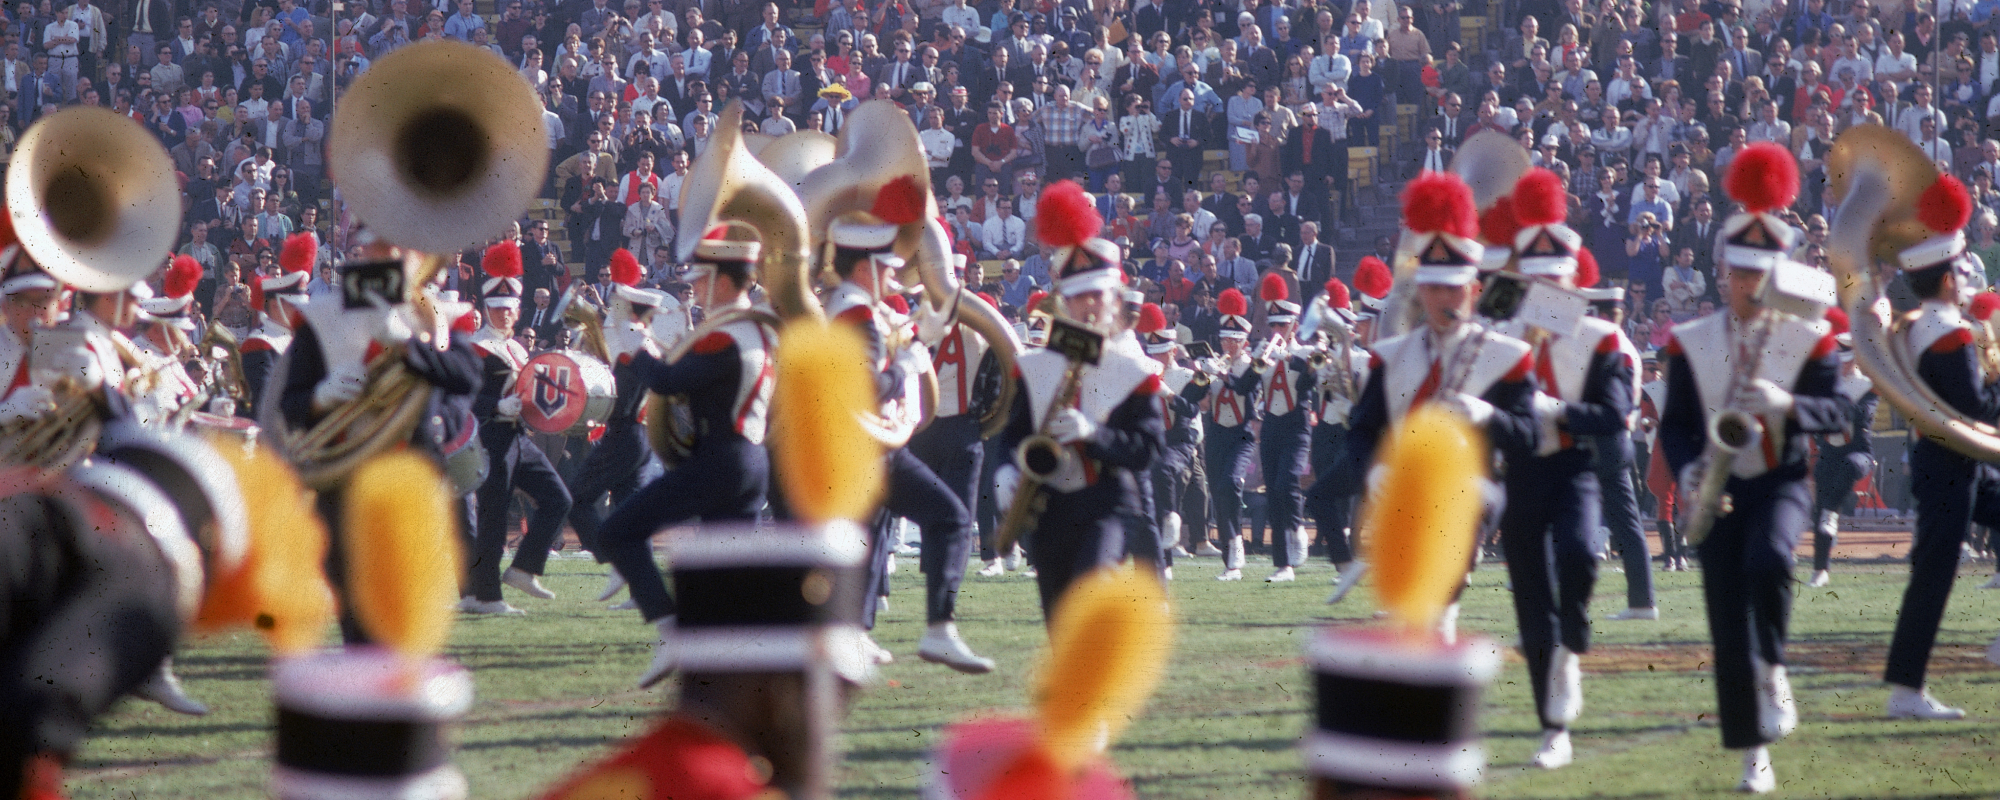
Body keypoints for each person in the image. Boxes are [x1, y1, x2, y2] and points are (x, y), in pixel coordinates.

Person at [1658, 144, 1847, 794]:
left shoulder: (1810, 338)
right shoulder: (1690, 343)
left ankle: (1775, 665)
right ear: (1723, 273)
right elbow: (1676, 426)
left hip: (1779, 478)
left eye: (1762, 273)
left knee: (1769, 562)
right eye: (1740, 272)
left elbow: (1836, 414)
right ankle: (1752, 755)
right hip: (1714, 486)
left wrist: (1787, 403)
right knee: (1723, 619)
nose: (1751, 285)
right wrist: (1685, 472)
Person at [1333, 173, 1538, 646]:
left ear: (1472, 289)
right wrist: (1374, 473)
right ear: (1421, 291)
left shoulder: (1504, 356)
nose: (1445, 299)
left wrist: (1488, 416)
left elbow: (1526, 434)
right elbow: (1362, 433)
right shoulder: (1393, 357)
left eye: (1455, 289)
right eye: (1435, 289)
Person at [1492, 169, 1637, 770]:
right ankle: (1552, 727)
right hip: (1521, 471)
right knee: (1528, 595)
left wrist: (1561, 410)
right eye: (1537, 280)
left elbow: (1617, 414)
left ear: (1573, 281)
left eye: (1558, 279)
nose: (1548, 290)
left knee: (1579, 554)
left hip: (1573, 464)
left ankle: (1573, 646)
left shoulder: (1600, 338)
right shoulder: (1500, 336)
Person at [823, 190, 993, 672]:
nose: (895, 277)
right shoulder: (857, 314)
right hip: (869, 444)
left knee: (871, 535)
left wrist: (918, 338)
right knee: (952, 518)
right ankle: (940, 628)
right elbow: (869, 386)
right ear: (863, 269)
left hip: (857, 445)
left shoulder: (845, 305)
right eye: (886, 268)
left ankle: (852, 635)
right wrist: (905, 363)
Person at [996, 182, 1165, 619]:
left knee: (1086, 603)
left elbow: (1147, 449)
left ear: (1114, 300)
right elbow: (1013, 434)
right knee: (1057, 619)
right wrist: (1005, 471)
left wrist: (1095, 433)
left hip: (1108, 503)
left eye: (1098, 296)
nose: (1089, 306)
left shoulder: (1134, 371)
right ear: (1063, 302)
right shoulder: (1032, 366)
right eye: (1079, 297)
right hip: (1048, 508)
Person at [1883, 174, 1993, 721]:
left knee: (1933, 568)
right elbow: (1974, 410)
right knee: (1933, 572)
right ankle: (1906, 689)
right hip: (1952, 464)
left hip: (1941, 460)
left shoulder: (1917, 323)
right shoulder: (1950, 332)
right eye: (1962, 270)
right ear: (1949, 279)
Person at [464, 242, 573, 614]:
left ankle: (524, 569)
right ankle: (486, 597)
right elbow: (463, 399)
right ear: (486, 309)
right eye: (498, 308)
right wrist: (495, 405)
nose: (506, 315)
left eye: (510, 308)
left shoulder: (517, 349)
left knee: (559, 497)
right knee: (492, 517)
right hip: (491, 438)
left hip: (518, 436)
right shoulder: (476, 349)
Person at [569, 249, 665, 603]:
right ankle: (641, 589)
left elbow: (616, 395)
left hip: (625, 435)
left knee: (575, 498)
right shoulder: (646, 344)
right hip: (639, 437)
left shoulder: (631, 346)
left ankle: (619, 562)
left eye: (619, 306)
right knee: (630, 514)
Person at [1251, 274, 1316, 582]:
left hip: (1297, 423)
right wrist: (1256, 360)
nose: (1277, 330)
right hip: (1271, 426)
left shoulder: (1304, 353)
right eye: (1273, 325)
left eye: (1282, 325)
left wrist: (1289, 357)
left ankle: (1297, 528)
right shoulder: (1262, 350)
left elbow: (1310, 383)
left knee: (1288, 481)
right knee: (1273, 491)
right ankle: (1282, 565)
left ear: (1294, 324)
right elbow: (1244, 386)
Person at [1197, 286, 1262, 580]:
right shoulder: (1215, 365)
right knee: (1219, 493)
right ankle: (1230, 560)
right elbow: (1198, 400)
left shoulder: (1252, 366)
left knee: (1231, 482)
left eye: (1234, 340)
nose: (1228, 345)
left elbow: (1245, 390)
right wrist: (1203, 380)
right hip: (1216, 436)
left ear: (1244, 342)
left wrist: (1223, 374)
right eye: (1225, 339)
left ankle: (1236, 545)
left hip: (1241, 435)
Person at [1807, 308, 1875, 589]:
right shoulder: (1825, 383)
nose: (1841, 366)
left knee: (1846, 473)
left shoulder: (1866, 385)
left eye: (1845, 361)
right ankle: (1820, 570)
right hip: (1829, 453)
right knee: (1822, 514)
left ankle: (1836, 508)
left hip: (1858, 453)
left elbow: (1864, 415)